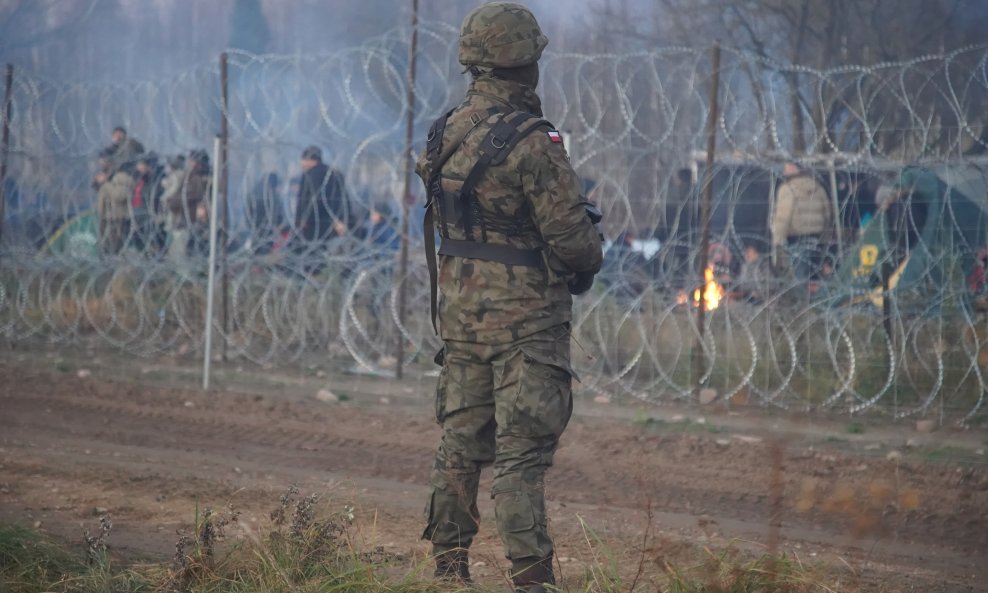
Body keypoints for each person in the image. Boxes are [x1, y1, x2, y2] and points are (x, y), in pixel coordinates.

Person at [415, 4, 603, 591]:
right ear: (524, 63)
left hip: (462, 317)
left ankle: (449, 571)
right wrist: (587, 257)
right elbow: (573, 242)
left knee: (460, 446)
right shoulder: (533, 141)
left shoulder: (447, 129)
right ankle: (532, 577)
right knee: (521, 455)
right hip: (526, 323)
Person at [771, 162, 832, 282]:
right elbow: (828, 213)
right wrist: (824, 233)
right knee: (815, 276)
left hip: (797, 238)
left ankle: (804, 300)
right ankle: (821, 299)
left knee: (800, 278)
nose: (784, 171)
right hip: (817, 238)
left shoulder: (787, 188)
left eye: (786, 167)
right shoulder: (817, 186)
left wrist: (777, 239)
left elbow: (783, 216)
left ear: (794, 168)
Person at [295, 146, 351, 246]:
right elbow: (344, 198)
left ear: (309, 160)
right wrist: (341, 219)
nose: (302, 163)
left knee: (311, 254)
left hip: (314, 225)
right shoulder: (333, 173)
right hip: (334, 223)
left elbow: (312, 199)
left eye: (303, 160)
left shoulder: (311, 175)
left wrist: (303, 219)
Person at [166, 149, 211, 262]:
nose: (191, 163)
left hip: (190, 223)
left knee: (183, 257)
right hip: (182, 221)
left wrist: (173, 201)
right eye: (191, 160)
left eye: (194, 161)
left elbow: (188, 197)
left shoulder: (201, 179)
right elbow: (178, 196)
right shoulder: (188, 177)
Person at [95, 148, 137, 255]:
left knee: (113, 250)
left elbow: (118, 196)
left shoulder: (122, 177)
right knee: (103, 250)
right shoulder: (106, 175)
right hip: (105, 216)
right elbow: (97, 188)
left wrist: (106, 184)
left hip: (116, 218)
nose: (101, 163)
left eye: (103, 160)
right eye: (100, 160)